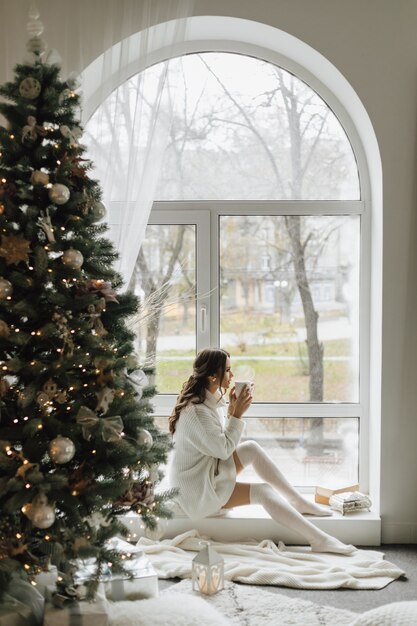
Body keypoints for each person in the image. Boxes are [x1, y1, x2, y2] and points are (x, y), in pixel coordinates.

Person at [168, 347, 356, 555]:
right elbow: (223, 449)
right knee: (263, 491)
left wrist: (231, 411)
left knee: (250, 449)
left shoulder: (205, 403)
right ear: (213, 376)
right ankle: (319, 539)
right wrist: (237, 415)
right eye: (228, 371)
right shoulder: (197, 412)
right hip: (197, 491)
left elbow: (217, 444)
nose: (232, 376)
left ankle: (297, 501)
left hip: (205, 474)